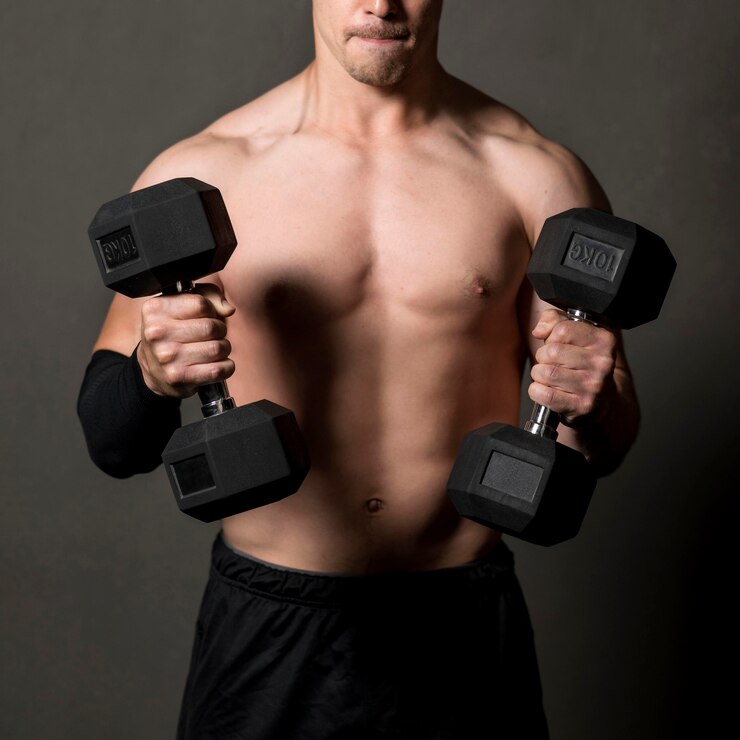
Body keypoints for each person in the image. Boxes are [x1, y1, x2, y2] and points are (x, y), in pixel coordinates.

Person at [78, 1, 641, 737]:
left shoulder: (533, 175)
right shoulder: (204, 171)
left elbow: (610, 435)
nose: (380, 2)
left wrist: (594, 405)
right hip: (269, 623)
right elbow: (111, 441)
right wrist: (153, 373)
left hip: (461, 624)